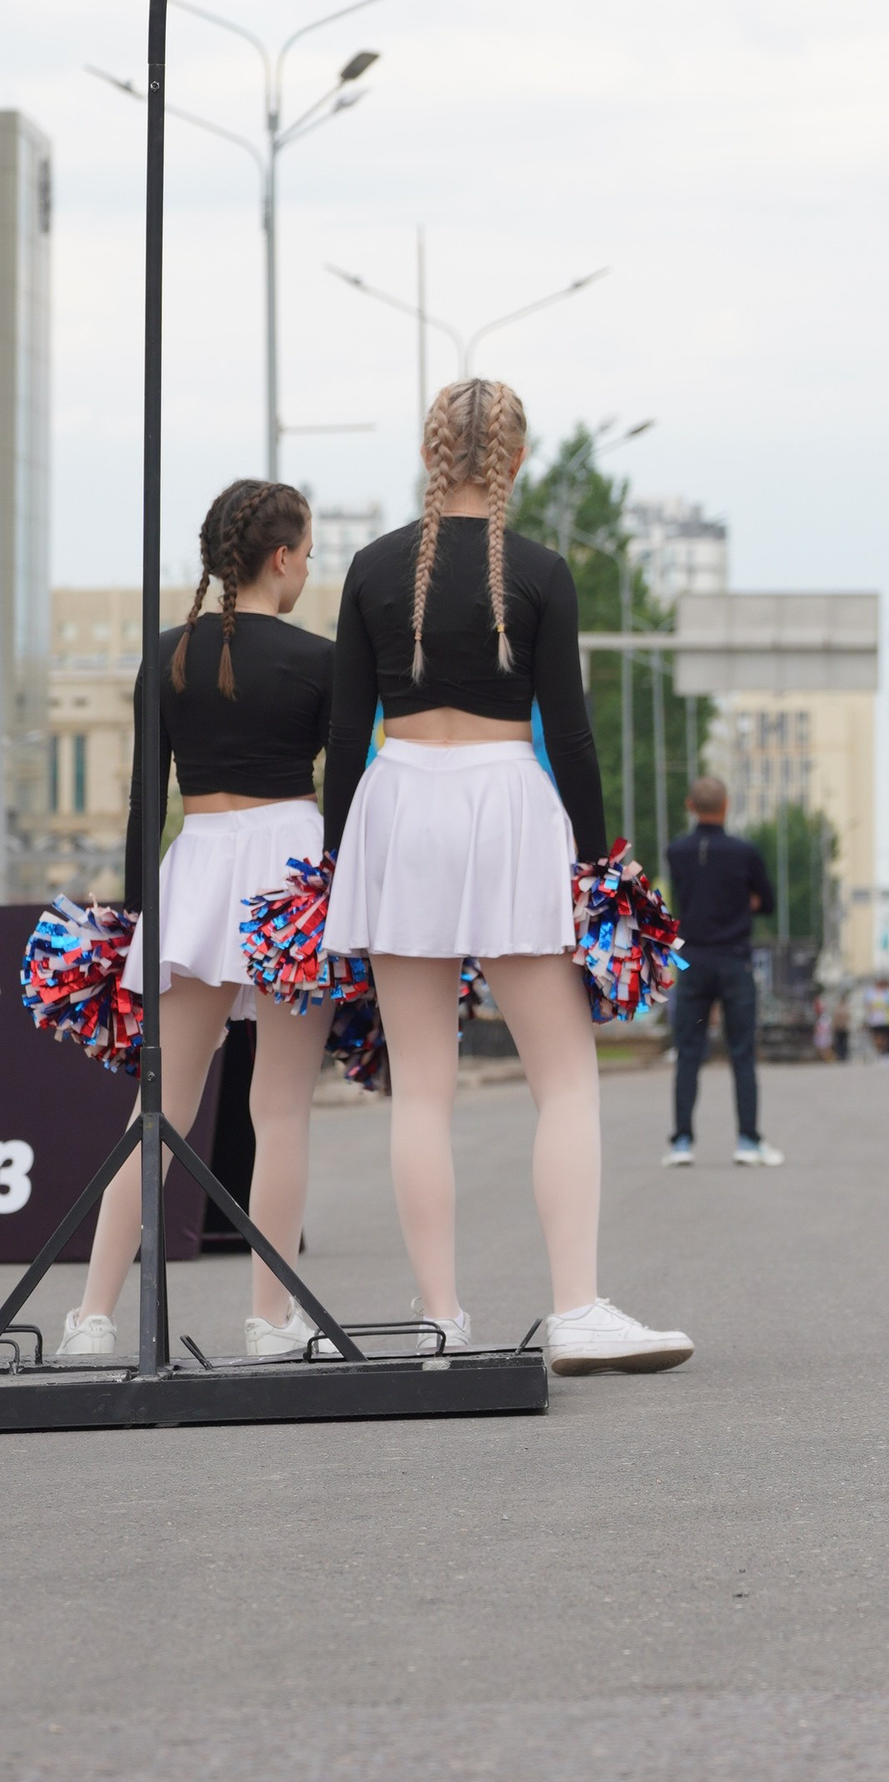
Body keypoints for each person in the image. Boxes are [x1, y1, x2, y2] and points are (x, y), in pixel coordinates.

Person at [321, 378, 691, 1372]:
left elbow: (340, 736)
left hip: (396, 804)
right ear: (518, 460)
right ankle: (575, 1307)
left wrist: (335, 858)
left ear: (429, 452)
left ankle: (439, 1317)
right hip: (507, 804)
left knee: (422, 1092)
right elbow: (567, 730)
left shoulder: (369, 567)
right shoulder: (540, 570)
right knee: (564, 1076)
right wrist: (604, 864)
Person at [58, 481, 339, 1365]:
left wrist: (131, 919)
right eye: (307, 551)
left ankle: (89, 1317)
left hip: (199, 870)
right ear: (283, 557)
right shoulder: (320, 660)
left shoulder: (168, 653)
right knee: (281, 1107)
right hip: (290, 870)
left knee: (158, 1109)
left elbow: (149, 801)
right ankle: (269, 1320)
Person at [664, 775, 781, 1166]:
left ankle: (682, 1141)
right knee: (742, 1052)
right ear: (726, 806)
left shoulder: (676, 852)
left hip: (694, 960)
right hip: (735, 959)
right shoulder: (743, 853)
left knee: (688, 1053)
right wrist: (742, 903)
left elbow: (683, 895)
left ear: (689, 805)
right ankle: (747, 1140)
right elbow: (768, 901)